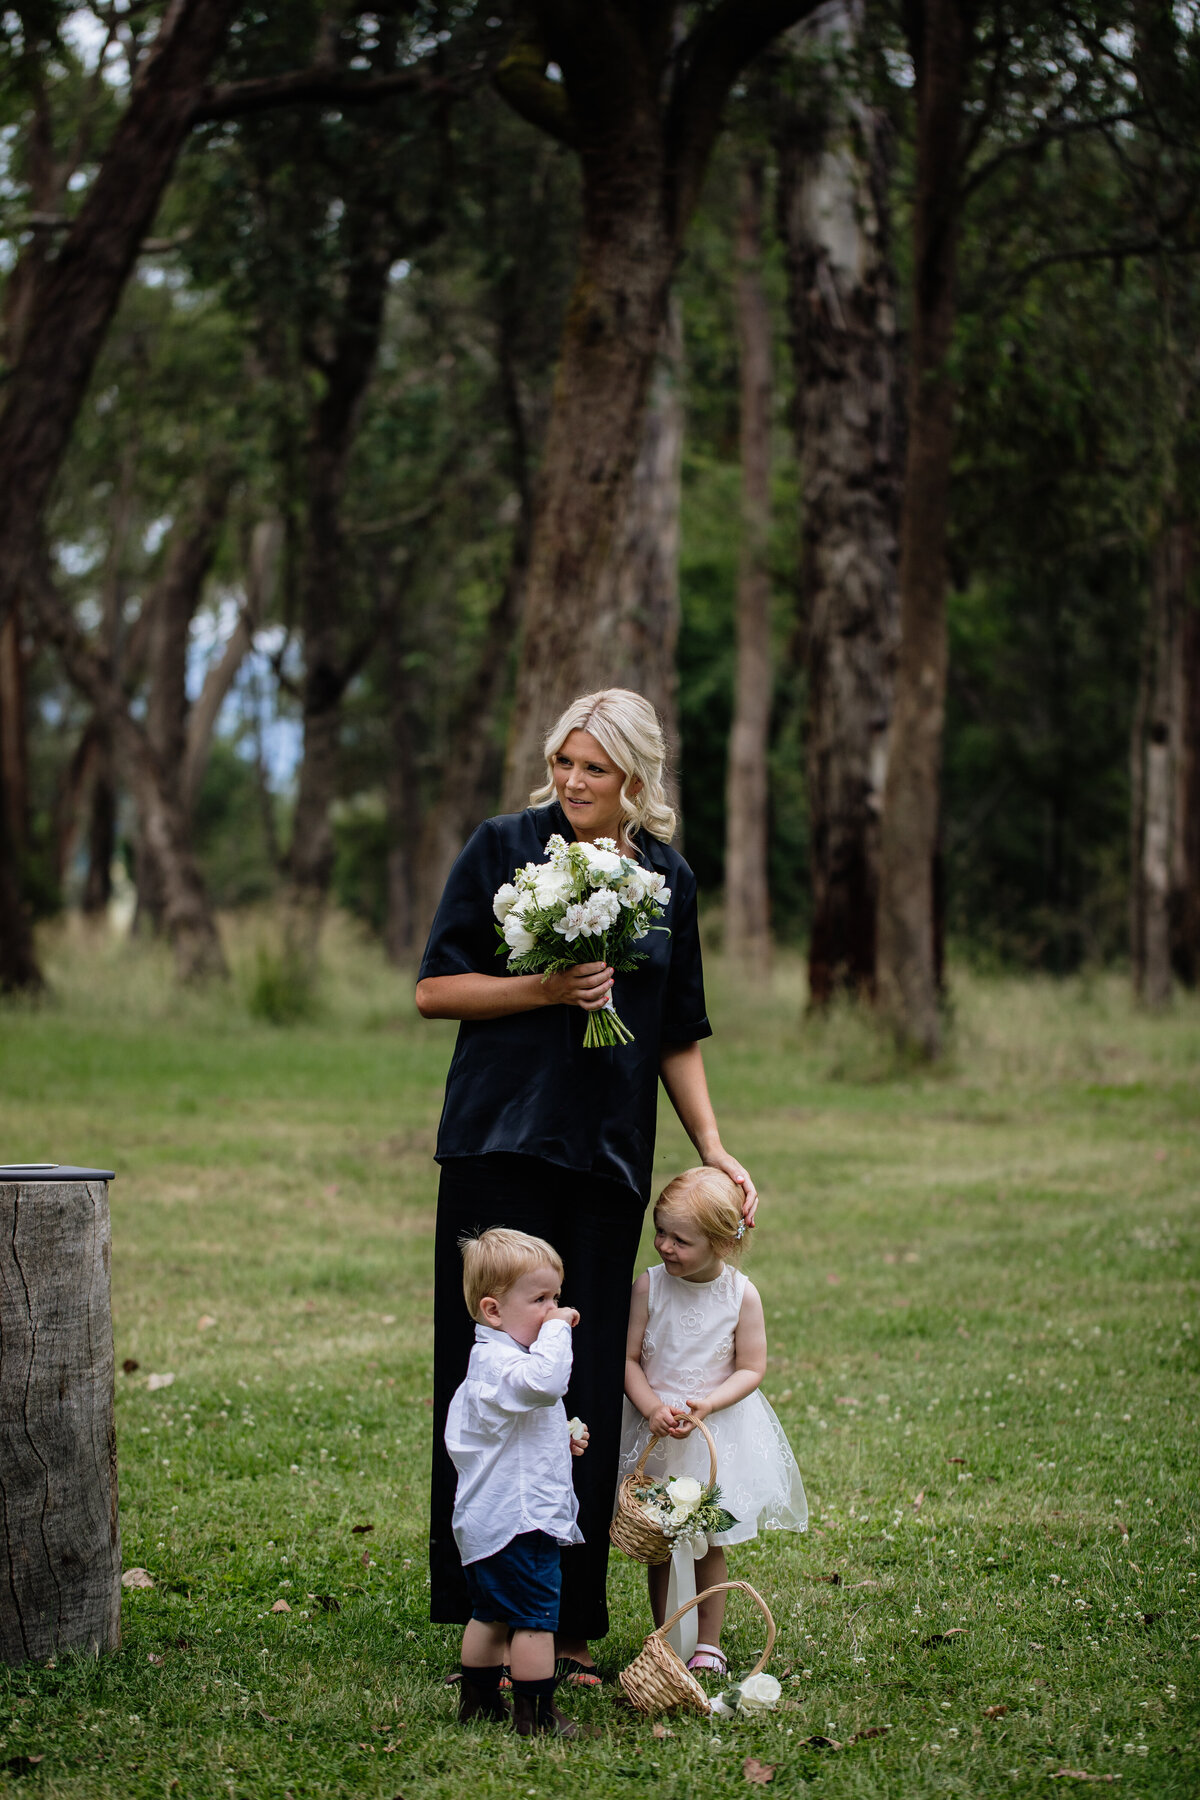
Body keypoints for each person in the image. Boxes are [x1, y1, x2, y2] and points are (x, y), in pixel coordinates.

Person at [417, 688, 757, 1677]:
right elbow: (437, 989)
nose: (571, 781)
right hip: (498, 1148)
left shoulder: (671, 880)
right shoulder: (502, 846)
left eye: (593, 769)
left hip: (606, 1158)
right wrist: (547, 988)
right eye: (564, 761)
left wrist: (715, 1146)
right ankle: (488, 1605)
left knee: (583, 1391)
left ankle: (561, 1625)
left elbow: (677, 1031)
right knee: (493, 1380)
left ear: (635, 781)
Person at [619, 1167, 807, 1677]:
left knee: (708, 1540)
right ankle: (663, 1637)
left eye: (681, 1239)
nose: (664, 1246)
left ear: (724, 1242)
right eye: (660, 1231)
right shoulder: (648, 1287)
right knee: (660, 1542)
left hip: (713, 1436)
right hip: (655, 1432)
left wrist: (708, 1403)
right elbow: (629, 1359)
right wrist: (651, 1406)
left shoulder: (741, 1295)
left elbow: (751, 1367)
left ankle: (707, 1643)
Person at [446, 1228, 589, 1738]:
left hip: (489, 1522)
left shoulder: (489, 1363)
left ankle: (479, 1703)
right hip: (520, 1522)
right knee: (534, 1621)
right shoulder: (503, 1363)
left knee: (489, 1614)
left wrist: (560, 1440)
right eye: (541, 1300)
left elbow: (501, 1432)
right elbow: (546, 1382)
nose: (555, 1309)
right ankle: (538, 1717)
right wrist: (557, 1330)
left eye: (556, 1297)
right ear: (493, 1310)